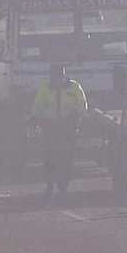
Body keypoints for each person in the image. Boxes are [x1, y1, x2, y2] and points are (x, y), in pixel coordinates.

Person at [30, 64, 89, 197]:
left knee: (67, 159)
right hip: (50, 127)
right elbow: (37, 106)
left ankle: (63, 186)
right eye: (56, 76)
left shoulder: (74, 87)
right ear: (52, 76)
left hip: (68, 128)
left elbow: (83, 106)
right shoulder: (45, 89)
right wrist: (35, 120)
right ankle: (49, 183)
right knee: (49, 157)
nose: (59, 78)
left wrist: (76, 118)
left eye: (61, 75)